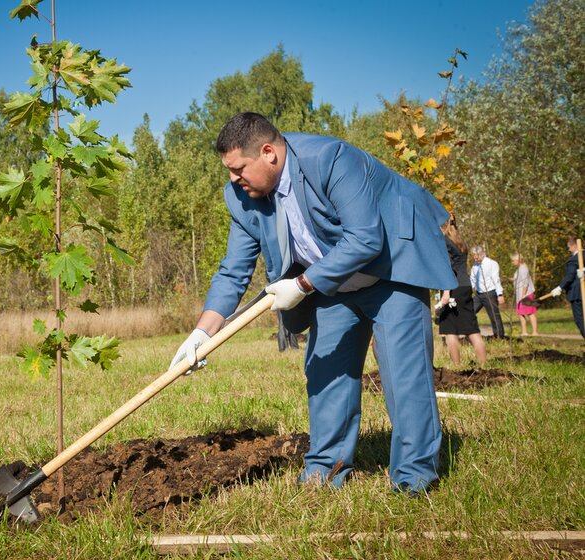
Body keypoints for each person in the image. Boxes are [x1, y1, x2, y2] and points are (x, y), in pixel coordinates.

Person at [170, 112, 457, 495]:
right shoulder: (241, 196)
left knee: (404, 375)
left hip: (392, 265)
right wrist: (200, 333)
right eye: (229, 171)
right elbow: (232, 271)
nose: (233, 179)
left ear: (268, 153)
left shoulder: (332, 159)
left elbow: (366, 239)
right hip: (333, 281)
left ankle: (414, 477)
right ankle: (326, 469)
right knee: (326, 373)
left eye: (239, 169)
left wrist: (302, 284)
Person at [437, 217, 487, 365]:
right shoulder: (460, 242)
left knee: (450, 329)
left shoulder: (445, 242)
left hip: (452, 288)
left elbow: (448, 268)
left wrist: (446, 293)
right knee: (471, 329)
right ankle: (484, 364)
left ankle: (456, 367)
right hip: (465, 287)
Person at [549, 238, 585, 338]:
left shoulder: (574, 259)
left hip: (578, 294)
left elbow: (570, 276)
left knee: (580, 320)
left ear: (574, 246)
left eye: (569, 247)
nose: (569, 250)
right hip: (580, 292)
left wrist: (560, 287)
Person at [469, 246, 506, 339]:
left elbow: (496, 279)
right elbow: (472, 280)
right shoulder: (475, 266)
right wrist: (467, 291)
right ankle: (471, 334)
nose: (474, 258)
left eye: (476, 256)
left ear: (482, 254)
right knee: (469, 312)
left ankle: (499, 337)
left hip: (490, 293)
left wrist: (500, 294)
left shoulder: (492, 263)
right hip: (478, 294)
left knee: (494, 315)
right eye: (473, 256)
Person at [510, 253, 538, 336]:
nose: (512, 262)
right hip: (520, 294)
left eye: (513, 261)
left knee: (530, 312)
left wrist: (523, 295)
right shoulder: (520, 268)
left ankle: (535, 332)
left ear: (518, 261)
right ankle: (524, 332)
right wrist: (513, 280)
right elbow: (519, 279)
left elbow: (525, 283)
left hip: (526, 294)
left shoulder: (523, 268)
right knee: (520, 313)